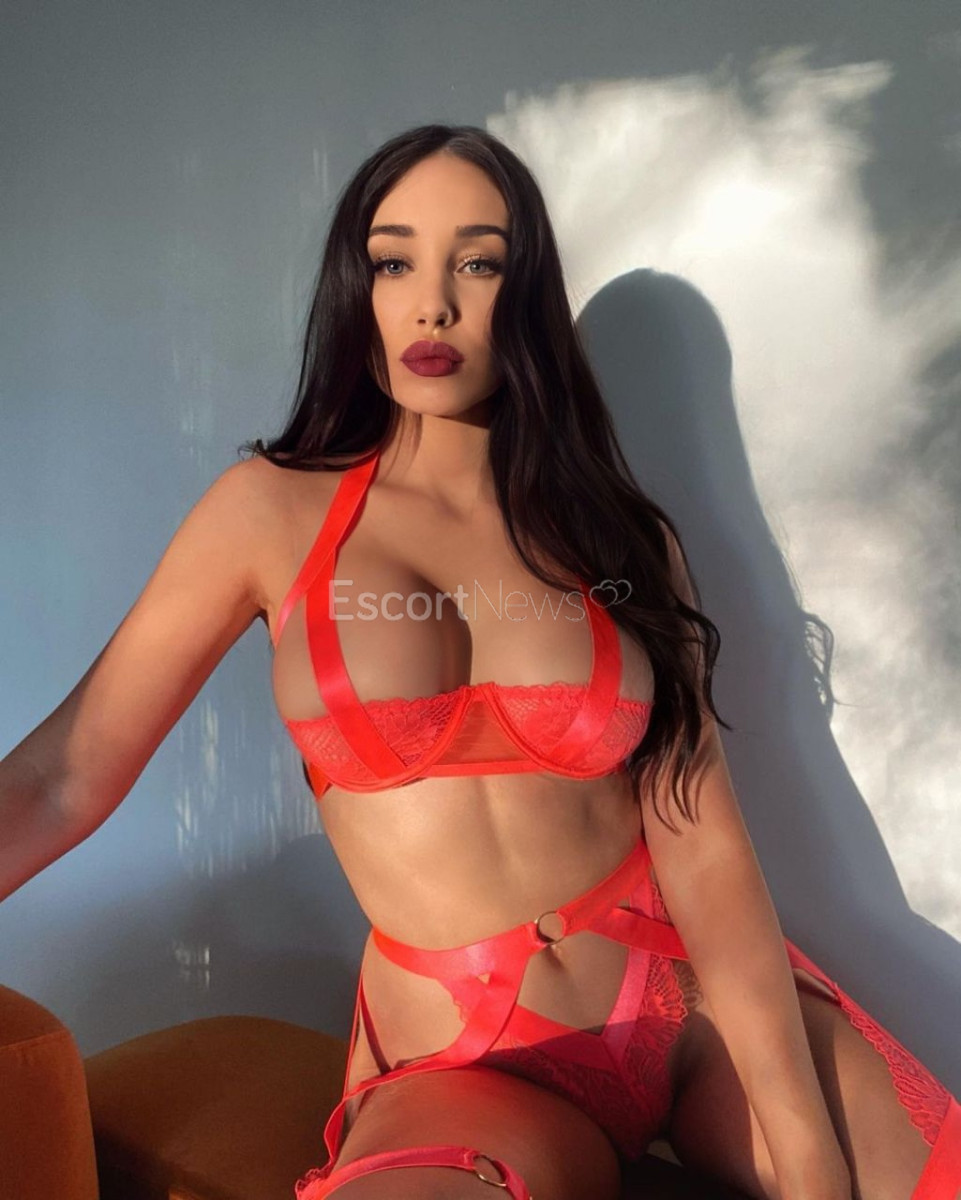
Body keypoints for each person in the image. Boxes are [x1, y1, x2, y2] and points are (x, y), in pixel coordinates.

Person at [2, 123, 958, 1200]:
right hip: (464, 1059)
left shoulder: (615, 535)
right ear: (356, 289)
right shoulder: (266, 513)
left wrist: (809, 1157)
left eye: (478, 262)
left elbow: (701, 838)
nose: (434, 304)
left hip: (685, 1006)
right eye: (395, 262)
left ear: (525, 292)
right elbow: (60, 777)